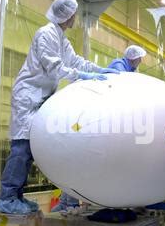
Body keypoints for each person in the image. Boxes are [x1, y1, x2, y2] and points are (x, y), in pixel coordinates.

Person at [0, 0, 119, 215]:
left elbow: (75, 60)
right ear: (68, 15)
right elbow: (54, 67)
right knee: (22, 148)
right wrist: (83, 75)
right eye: (74, 15)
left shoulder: (60, 38)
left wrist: (100, 70)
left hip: (41, 97)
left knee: (30, 149)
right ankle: (7, 197)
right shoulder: (46, 34)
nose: (76, 19)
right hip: (28, 95)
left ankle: (17, 197)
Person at [52, 45, 147, 212]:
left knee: (80, 165)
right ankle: (68, 202)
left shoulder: (127, 69)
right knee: (80, 164)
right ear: (134, 58)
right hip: (95, 123)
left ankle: (69, 202)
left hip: (96, 124)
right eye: (140, 58)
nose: (141, 61)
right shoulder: (119, 68)